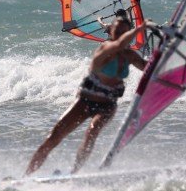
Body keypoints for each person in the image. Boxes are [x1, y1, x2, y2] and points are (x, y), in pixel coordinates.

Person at [25, 17, 150, 175]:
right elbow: (118, 44)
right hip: (85, 101)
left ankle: (74, 173)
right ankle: (26, 175)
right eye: (117, 30)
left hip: (107, 105)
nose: (119, 34)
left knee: (92, 132)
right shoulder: (104, 49)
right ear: (110, 31)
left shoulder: (130, 55)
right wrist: (139, 29)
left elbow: (149, 69)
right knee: (55, 136)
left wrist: (166, 51)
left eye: (123, 31)